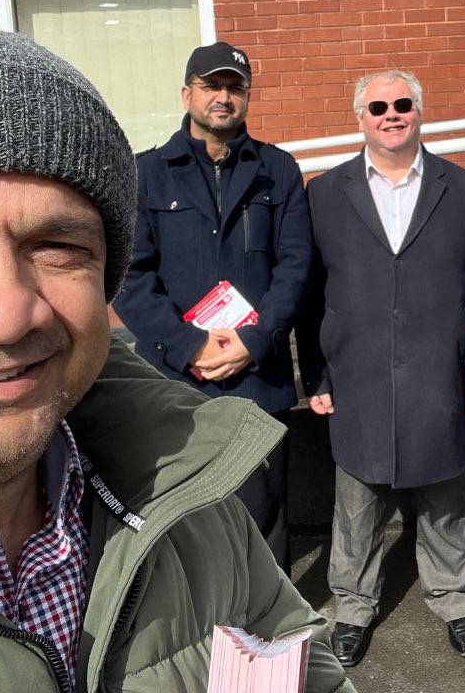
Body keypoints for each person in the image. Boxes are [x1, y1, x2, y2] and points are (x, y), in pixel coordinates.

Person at [0, 22, 353, 693]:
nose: (2, 312)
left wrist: (255, 342)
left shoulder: (186, 501)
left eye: (59, 246)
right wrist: (187, 343)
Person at [297, 69, 465, 667]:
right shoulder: (324, 192)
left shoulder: (463, 189)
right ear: (360, 116)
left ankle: (454, 599)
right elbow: (309, 295)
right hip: (357, 372)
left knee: (444, 494)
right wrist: (315, 375)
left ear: (419, 111)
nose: (390, 115)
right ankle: (353, 606)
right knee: (356, 501)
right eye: (378, 106)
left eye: (402, 104)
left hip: (435, 370)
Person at [112, 42, 311, 572]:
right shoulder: (147, 174)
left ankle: (267, 641)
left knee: (262, 521)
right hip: (178, 378)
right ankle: (200, 638)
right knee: (183, 520)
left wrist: (253, 340)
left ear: (246, 97)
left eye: (234, 87)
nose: (223, 97)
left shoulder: (278, 170)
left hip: (257, 375)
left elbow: (296, 266)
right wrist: (188, 345)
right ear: (188, 93)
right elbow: (130, 276)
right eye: (211, 86)